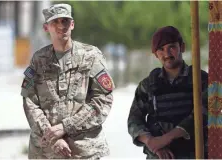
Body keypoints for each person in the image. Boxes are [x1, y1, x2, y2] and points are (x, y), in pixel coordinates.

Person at [21, 3, 114, 159]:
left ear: (72, 24)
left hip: (83, 150)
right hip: (46, 151)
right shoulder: (38, 60)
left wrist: (66, 126)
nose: (60, 26)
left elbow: (103, 99)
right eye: (55, 22)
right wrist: (53, 137)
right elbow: (30, 100)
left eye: (65, 21)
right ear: (46, 28)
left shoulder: (91, 56)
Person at [127, 26, 208, 159]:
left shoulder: (200, 80)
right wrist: (152, 143)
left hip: (194, 154)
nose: (167, 54)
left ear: (182, 47)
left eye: (172, 47)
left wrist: (166, 138)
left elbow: (203, 114)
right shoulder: (148, 85)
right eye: (161, 49)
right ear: (155, 54)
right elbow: (134, 120)